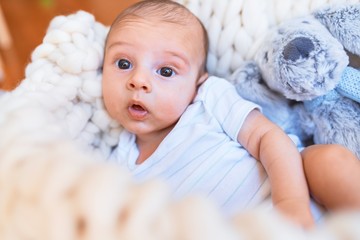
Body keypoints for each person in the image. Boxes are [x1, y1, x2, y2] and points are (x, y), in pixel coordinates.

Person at [102, 0, 360, 228]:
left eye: (166, 71)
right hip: (245, 230)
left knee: (329, 161)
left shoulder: (207, 99)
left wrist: (290, 201)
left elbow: (267, 138)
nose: (138, 80)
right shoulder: (115, 167)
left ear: (197, 83)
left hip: (299, 191)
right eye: (123, 63)